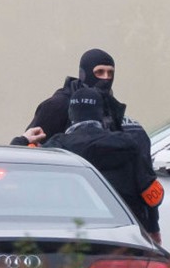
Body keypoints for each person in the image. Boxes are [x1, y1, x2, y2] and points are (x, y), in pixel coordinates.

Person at [43, 86, 163, 243]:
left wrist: (22, 141)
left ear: (71, 114)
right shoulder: (128, 144)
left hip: (72, 234)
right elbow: (149, 192)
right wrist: (153, 228)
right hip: (126, 233)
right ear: (101, 113)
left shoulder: (57, 147)